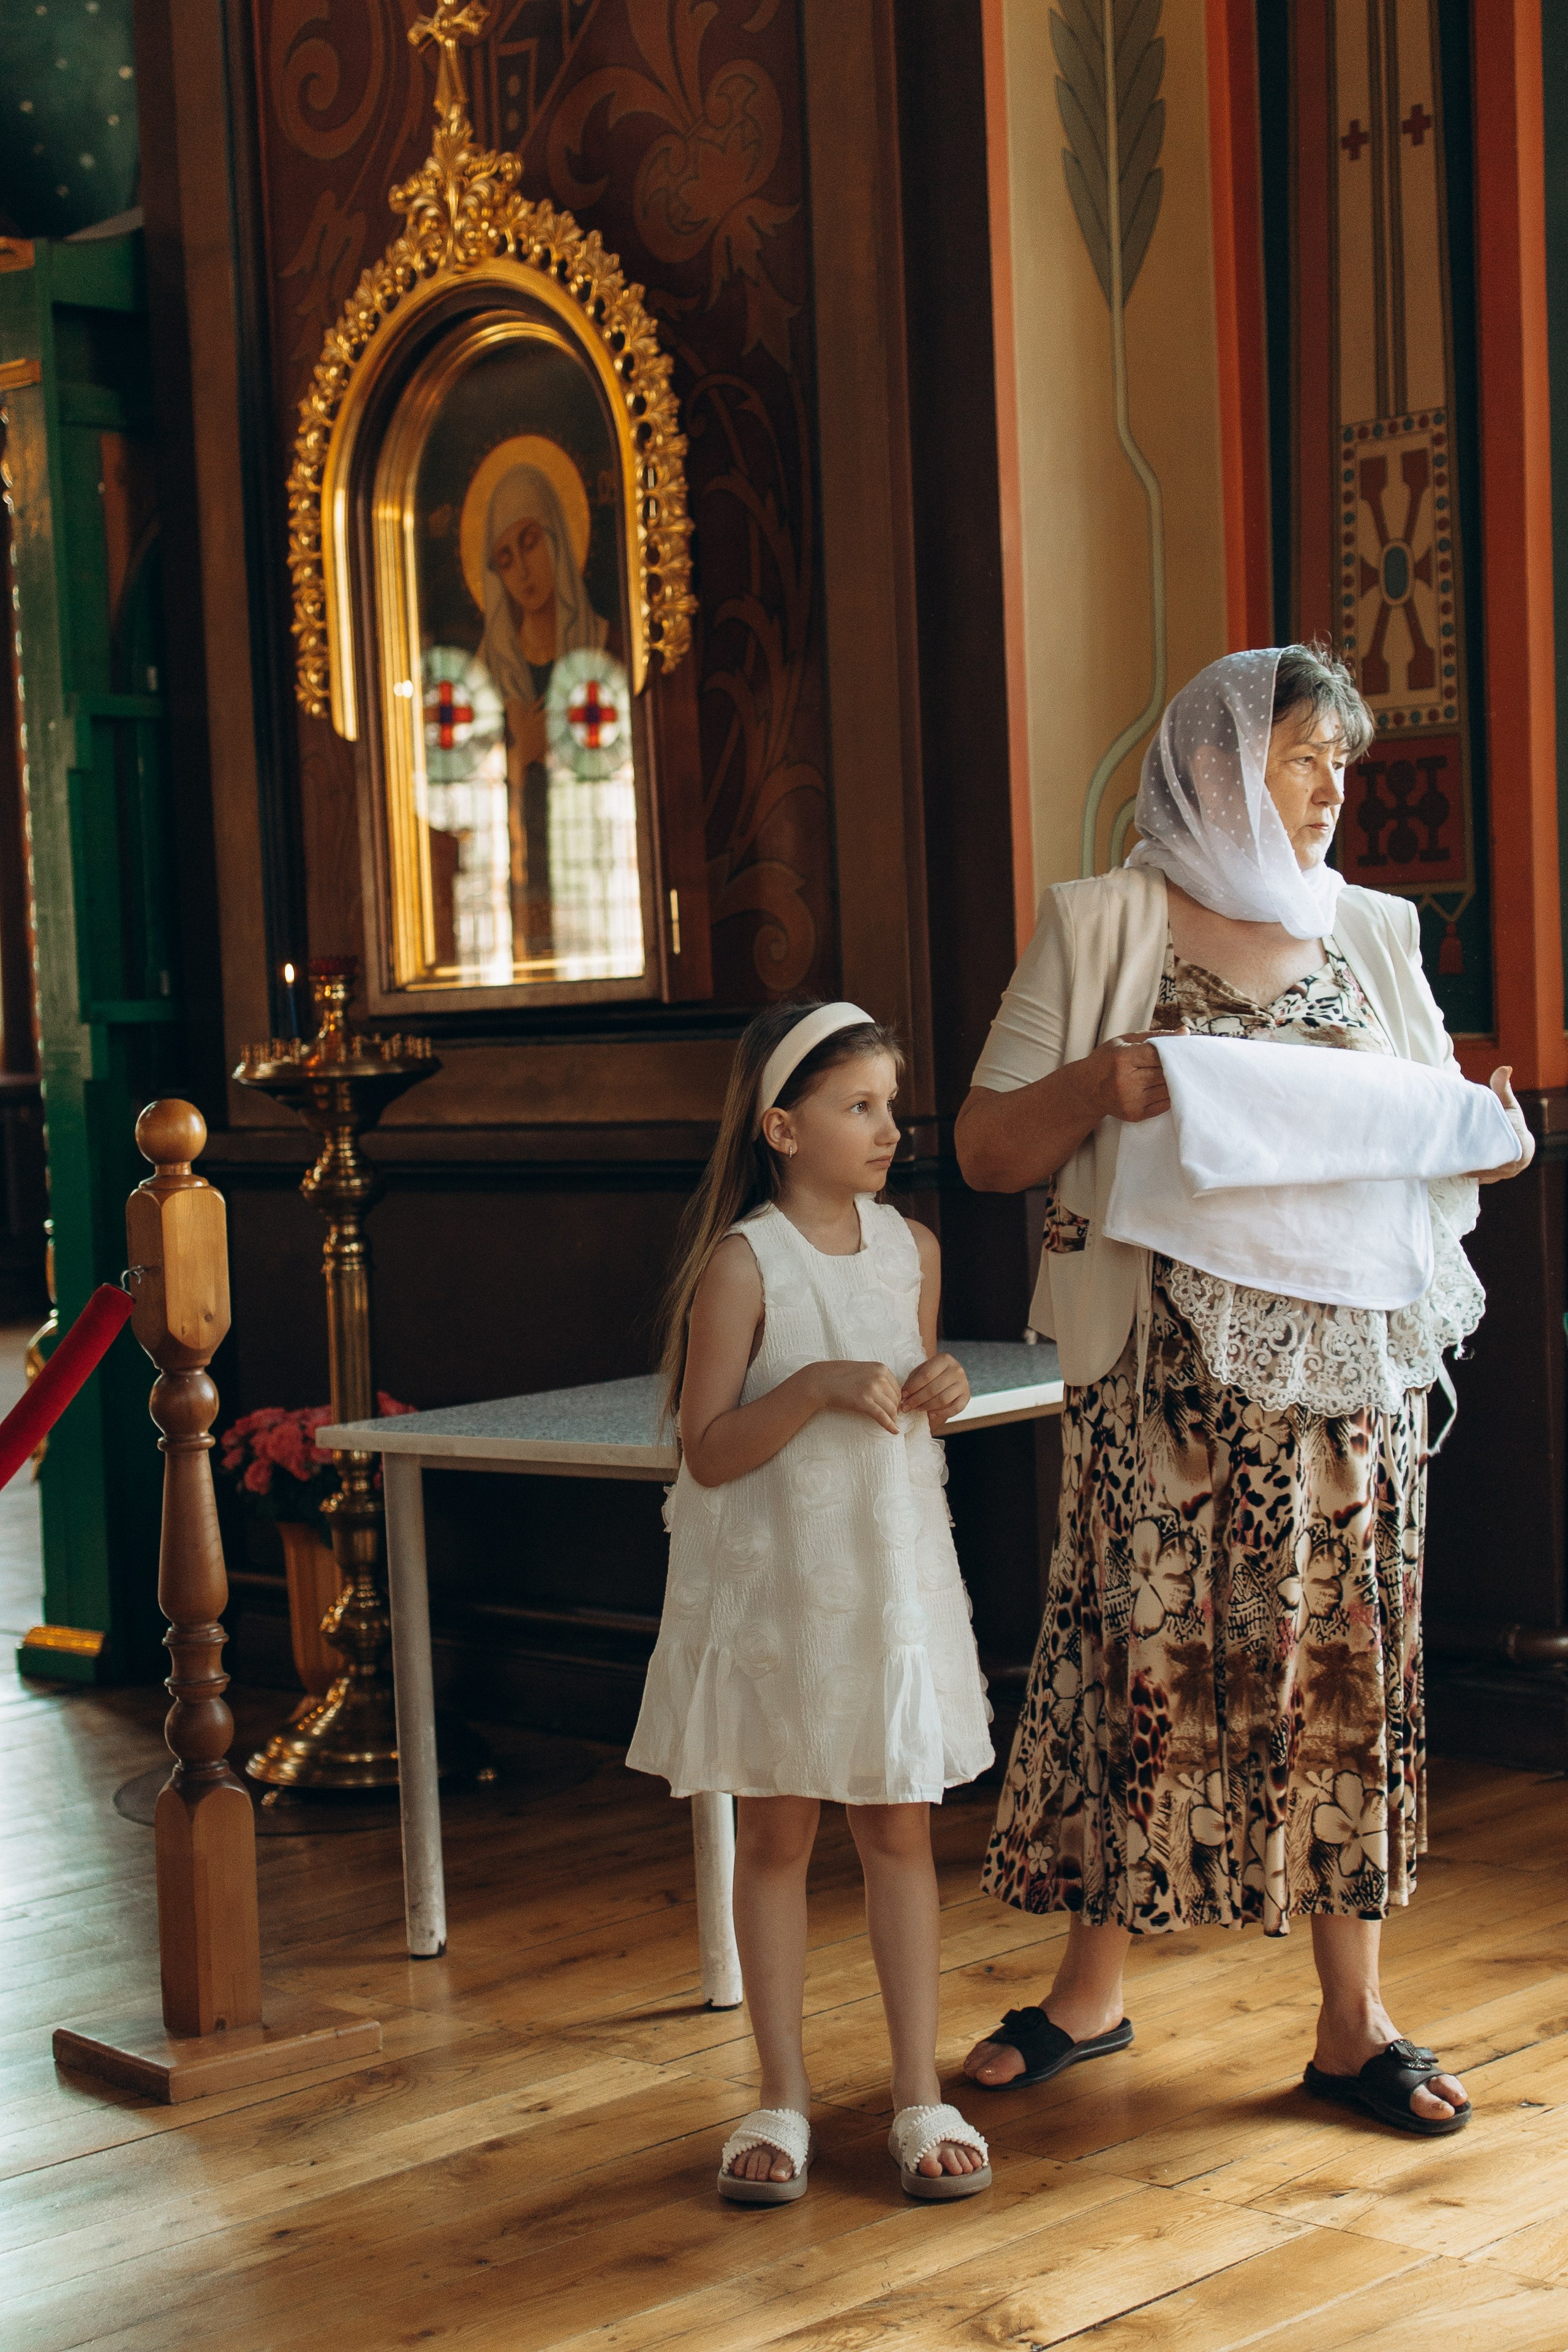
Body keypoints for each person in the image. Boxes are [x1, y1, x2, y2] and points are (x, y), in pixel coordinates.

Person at [954, 644, 1533, 2139]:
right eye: (1300, 757)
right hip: (1163, 1398)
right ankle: (1091, 1987)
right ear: (1215, 766)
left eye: (1341, 761)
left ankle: (1355, 2020)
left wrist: (1481, 1127)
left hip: (1347, 1399)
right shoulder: (1103, 922)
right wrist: (1104, 1085)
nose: (1331, 788)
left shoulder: (1374, 933)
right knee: (1138, 1664)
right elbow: (983, 1148)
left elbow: (1425, 1131)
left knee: (1337, 1673)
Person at [627, 1000, 997, 2203]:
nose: (887, 1127)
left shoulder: (912, 1251)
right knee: (776, 1832)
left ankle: (914, 2093)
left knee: (896, 1826)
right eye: (858, 1106)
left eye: (889, 1104)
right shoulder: (743, 1264)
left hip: (883, 1585)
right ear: (782, 1128)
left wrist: (937, 1385)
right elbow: (711, 1448)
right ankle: (777, 2096)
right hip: (780, 1592)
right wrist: (817, 1386)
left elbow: (913, 1395)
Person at [477, 464, 608, 964]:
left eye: (530, 543)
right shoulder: (487, 677)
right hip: (512, 896)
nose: (523, 572)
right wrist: (516, 761)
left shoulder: (606, 649)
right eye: (506, 559)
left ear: (558, 535)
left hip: (594, 889)